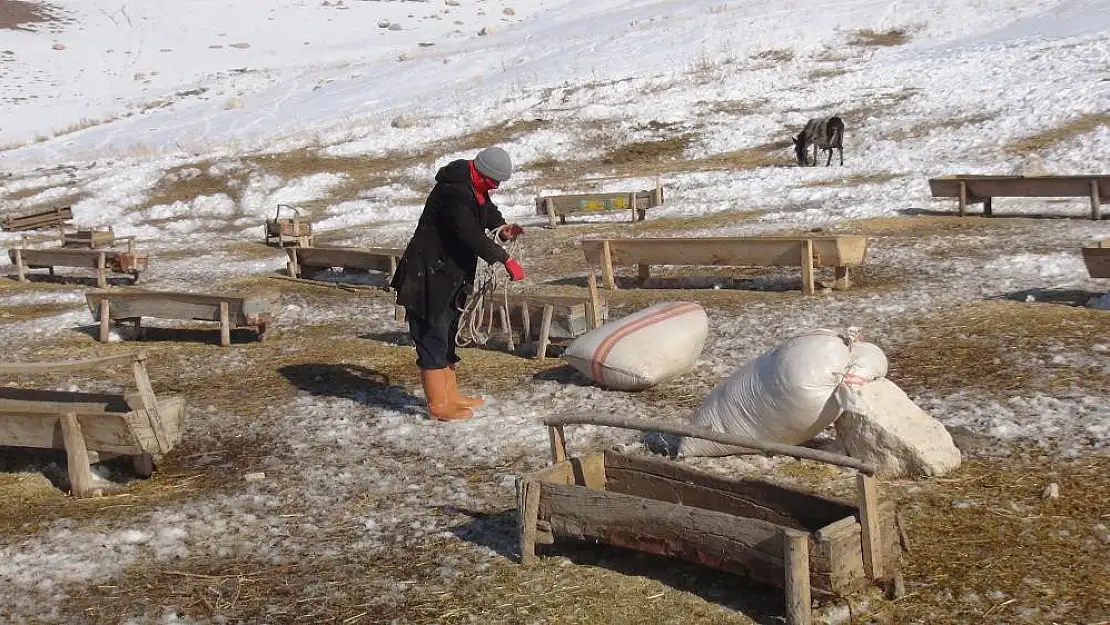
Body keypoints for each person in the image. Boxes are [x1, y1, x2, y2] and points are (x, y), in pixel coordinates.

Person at [390, 147, 526, 422]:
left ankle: (452, 396)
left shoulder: (475, 188)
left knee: (449, 330)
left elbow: (486, 212)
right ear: (479, 172)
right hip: (428, 275)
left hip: (451, 274)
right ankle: (438, 405)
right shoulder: (452, 193)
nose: (495, 188)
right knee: (432, 334)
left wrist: (502, 227)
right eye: (492, 182)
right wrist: (504, 259)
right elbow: (470, 234)